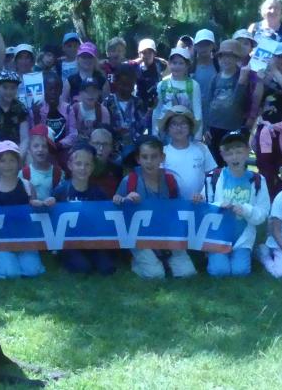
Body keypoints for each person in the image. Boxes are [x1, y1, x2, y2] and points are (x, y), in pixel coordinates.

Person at [113, 135, 196, 279]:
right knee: (155, 275)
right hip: (140, 237)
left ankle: (163, 258)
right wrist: (125, 199)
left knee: (187, 273)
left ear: (162, 157)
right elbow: (117, 206)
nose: (149, 161)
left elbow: (179, 207)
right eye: (145, 157)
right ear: (138, 159)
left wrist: (194, 201)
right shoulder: (130, 181)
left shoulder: (170, 180)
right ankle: (139, 261)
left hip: (167, 233)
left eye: (154, 156)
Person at [201, 132, 270, 277]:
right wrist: (217, 205)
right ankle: (213, 254)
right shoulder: (213, 177)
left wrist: (245, 210)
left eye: (239, 152)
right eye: (229, 153)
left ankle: (246, 252)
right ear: (222, 155)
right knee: (220, 271)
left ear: (247, 151)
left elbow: (263, 213)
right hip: (218, 235)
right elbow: (204, 206)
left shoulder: (257, 180)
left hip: (243, 236)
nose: (234, 157)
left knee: (240, 272)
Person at [0, 141, 48, 279]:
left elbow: (35, 215)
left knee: (32, 271)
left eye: (12, 160)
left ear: (19, 162)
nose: (8, 165)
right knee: (10, 273)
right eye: (3, 161)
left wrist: (40, 205)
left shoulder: (27, 186)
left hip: (25, 241)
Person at [53, 144, 116, 275]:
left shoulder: (99, 192)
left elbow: (105, 218)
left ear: (92, 167)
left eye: (87, 164)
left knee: (107, 268)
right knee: (83, 269)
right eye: (78, 164)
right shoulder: (61, 191)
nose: (83, 168)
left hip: (92, 241)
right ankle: (64, 258)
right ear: (70, 165)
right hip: (69, 243)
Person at [250, 42, 282, 196]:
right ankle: (266, 197)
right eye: (279, 57)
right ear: (273, 58)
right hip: (266, 130)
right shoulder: (266, 79)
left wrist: (273, 71)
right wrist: (260, 81)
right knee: (265, 165)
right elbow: (256, 100)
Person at [204, 40, 251, 165]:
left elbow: (238, 101)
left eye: (230, 56)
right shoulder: (216, 78)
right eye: (222, 56)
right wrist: (205, 127)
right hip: (214, 126)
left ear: (237, 59)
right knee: (215, 159)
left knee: (233, 159)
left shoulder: (241, 77)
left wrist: (241, 82)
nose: (226, 60)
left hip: (232, 126)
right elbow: (208, 102)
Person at [160, 106, 217, 203]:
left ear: (190, 127)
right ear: (167, 129)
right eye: (174, 124)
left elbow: (212, 176)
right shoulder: (162, 152)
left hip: (199, 204)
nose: (179, 128)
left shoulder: (202, 149)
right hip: (171, 205)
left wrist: (203, 195)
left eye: (183, 123)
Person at [152, 48, 203, 141]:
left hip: (186, 131)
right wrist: (155, 132)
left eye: (181, 63)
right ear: (169, 64)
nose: (177, 66)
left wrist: (198, 136)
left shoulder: (193, 85)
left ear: (187, 65)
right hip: (166, 132)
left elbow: (197, 111)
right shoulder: (162, 85)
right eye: (174, 63)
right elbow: (157, 110)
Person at [104, 63, 144, 156]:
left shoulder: (138, 102)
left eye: (130, 84)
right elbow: (105, 127)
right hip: (114, 151)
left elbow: (142, 126)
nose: (126, 88)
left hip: (135, 150)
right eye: (123, 84)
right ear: (116, 82)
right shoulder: (108, 102)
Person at [61, 77, 111, 150]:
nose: (90, 95)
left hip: (96, 148)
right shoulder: (74, 109)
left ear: (99, 93)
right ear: (80, 93)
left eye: (94, 91)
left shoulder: (103, 111)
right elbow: (68, 133)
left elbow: (105, 135)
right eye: (87, 91)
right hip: (76, 147)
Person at [0, 71, 29, 151]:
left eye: (13, 88)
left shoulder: (21, 108)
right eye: (5, 87)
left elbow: (24, 139)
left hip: (17, 147)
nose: (9, 92)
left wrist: (19, 156)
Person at [24, 125, 65, 200]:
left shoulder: (58, 173)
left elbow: (62, 198)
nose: (40, 149)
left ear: (49, 150)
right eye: (36, 146)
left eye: (44, 146)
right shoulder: (24, 173)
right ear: (29, 150)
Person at [132, 38, 168, 114]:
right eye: (144, 53)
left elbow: (171, 70)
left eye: (150, 53)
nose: (147, 55)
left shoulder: (161, 64)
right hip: (141, 103)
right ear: (139, 54)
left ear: (154, 54)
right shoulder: (135, 66)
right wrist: (135, 62)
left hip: (157, 103)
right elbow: (123, 66)